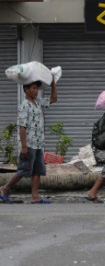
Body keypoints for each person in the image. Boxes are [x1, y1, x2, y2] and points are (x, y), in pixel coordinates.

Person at [0, 76, 57, 204]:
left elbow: (53, 99)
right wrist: (24, 146)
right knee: (24, 170)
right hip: (29, 144)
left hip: (38, 144)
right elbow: (22, 127)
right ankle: (5, 188)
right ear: (26, 89)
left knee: (38, 170)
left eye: (37, 88)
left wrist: (53, 84)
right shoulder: (24, 106)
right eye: (33, 88)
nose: (36, 91)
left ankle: (35, 196)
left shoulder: (37, 102)